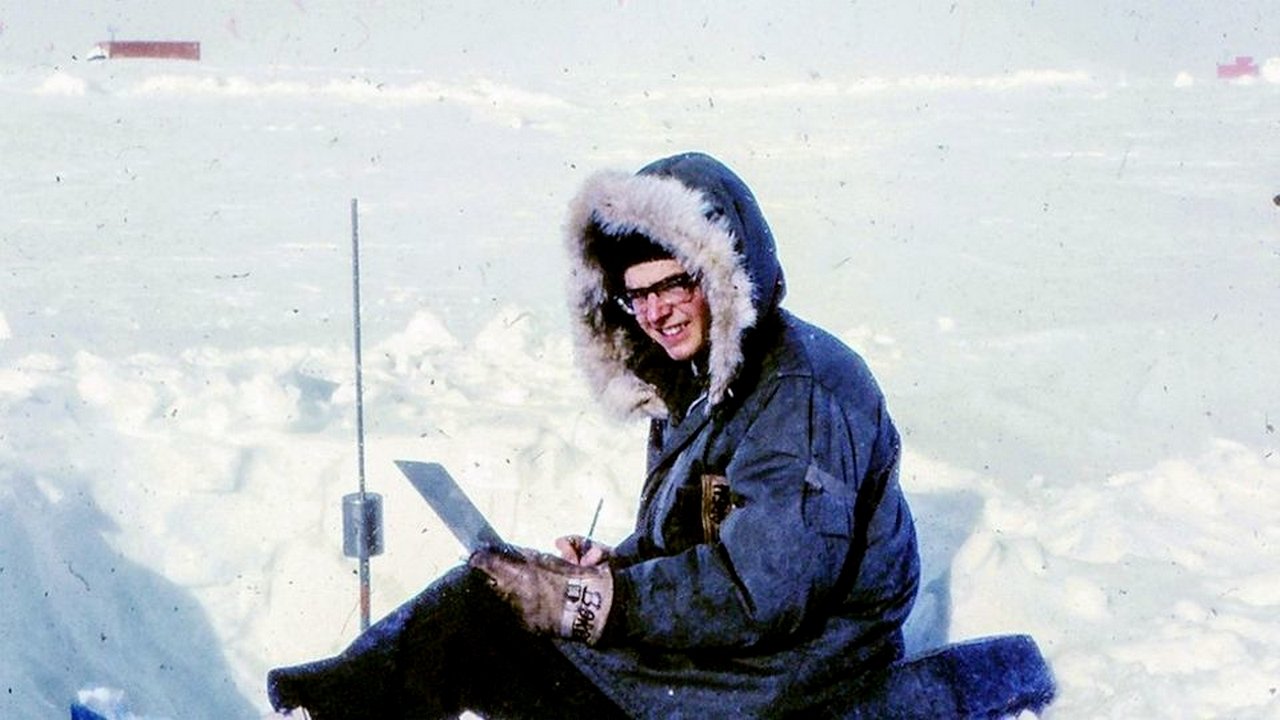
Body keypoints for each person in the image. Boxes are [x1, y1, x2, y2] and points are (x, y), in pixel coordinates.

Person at [267, 151, 920, 718]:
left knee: (477, 625)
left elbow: (767, 589)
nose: (655, 312)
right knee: (491, 598)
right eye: (638, 295)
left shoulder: (799, 393)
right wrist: (614, 568)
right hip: (719, 669)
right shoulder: (699, 382)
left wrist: (607, 602)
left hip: (782, 687)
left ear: (724, 274)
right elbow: (699, 541)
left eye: (672, 284)